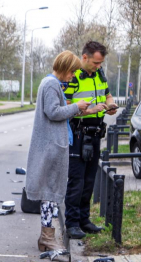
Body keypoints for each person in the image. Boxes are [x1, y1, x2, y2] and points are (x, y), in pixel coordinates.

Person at [26, 51, 90, 251]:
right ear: (65, 68)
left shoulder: (50, 83)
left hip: (52, 145)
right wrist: (76, 107)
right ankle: (47, 238)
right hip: (52, 147)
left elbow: (58, 112)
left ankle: (47, 237)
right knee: (51, 193)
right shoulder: (52, 84)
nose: (73, 77)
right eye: (72, 72)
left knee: (51, 193)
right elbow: (53, 113)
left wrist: (83, 109)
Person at [63, 41, 118, 239]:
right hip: (79, 134)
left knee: (89, 180)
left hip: (95, 134)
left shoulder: (100, 75)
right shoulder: (73, 76)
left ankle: (84, 221)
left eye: (100, 63)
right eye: (95, 63)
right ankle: (71, 223)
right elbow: (66, 105)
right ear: (84, 57)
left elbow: (108, 95)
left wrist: (111, 105)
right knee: (76, 181)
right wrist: (88, 109)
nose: (98, 66)